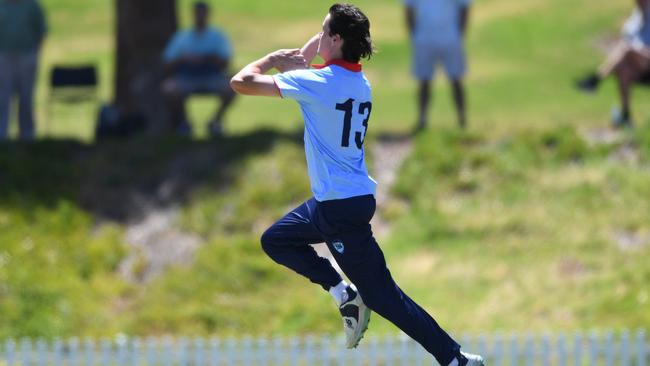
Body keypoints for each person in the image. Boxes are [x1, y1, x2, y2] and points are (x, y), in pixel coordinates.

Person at [230, 4, 484, 365]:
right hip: (343, 200)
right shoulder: (357, 82)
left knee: (384, 298)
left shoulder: (316, 84)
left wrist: (271, 57)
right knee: (276, 239)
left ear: (335, 39)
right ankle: (341, 290)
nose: (316, 38)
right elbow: (306, 63)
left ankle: (454, 359)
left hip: (338, 210)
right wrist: (317, 46)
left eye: (323, 32)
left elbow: (240, 83)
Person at [162, 1, 235, 137]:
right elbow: (167, 62)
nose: (200, 17)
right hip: (186, 76)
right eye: (197, 14)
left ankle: (215, 121)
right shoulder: (182, 37)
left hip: (212, 75)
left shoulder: (217, 37)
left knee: (234, 86)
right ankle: (184, 123)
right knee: (169, 88)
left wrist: (206, 58)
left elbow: (226, 62)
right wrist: (184, 59)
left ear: (208, 15)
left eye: (202, 14)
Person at [576, 0, 650, 127]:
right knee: (622, 69)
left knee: (626, 50)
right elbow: (627, 37)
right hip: (638, 65)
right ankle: (626, 114)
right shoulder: (636, 18)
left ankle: (595, 79)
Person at [404, 0, 471, 130]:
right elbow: (409, 9)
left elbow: (464, 7)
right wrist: (414, 36)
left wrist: (459, 35)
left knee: (456, 79)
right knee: (424, 81)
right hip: (424, 37)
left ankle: (462, 119)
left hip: (450, 37)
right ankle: (422, 119)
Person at [0, 0, 47, 141]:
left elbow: (41, 31)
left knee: (26, 98)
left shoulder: (32, 6)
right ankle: (2, 136)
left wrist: (34, 53)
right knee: (3, 97)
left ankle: (27, 136)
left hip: (27, 55)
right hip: (4, 57)